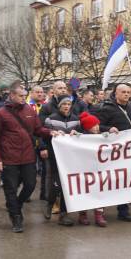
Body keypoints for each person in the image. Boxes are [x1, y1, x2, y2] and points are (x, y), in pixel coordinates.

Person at [0, 82, 59, 233]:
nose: (23, 98)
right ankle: (16, 217)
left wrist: (50, 132)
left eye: (24, 96)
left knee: (30, 185)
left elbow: (38, 129)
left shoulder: (29, 110)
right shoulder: (0, 113)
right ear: (12, 95)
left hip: (27, 156)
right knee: (10, 189)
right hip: (9, 158)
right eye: (20, 96)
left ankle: (16, 204)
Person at [96, 83, 131, 222]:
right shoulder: (106, 109)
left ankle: (123, 210)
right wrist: (108, 129)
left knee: (124, 180)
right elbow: (97, 127)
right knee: (107, 180)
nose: (126, 94)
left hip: (127, 152)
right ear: (116, 93)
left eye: (128, 92)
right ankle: (100, 211)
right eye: (123, 92)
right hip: (110, 152)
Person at [43, 95, 82, 226]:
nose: (66, 107)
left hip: (70, 157)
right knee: (56, 184)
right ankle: (50, 203)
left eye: (68, 104)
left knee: (67, 185)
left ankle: (64, 215)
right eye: (64, 104)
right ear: (59, 106)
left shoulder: (76, 120)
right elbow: (44, 135)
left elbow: (81, 135)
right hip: (55, 156)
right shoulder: (51, 119)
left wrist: (77, 134)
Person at [79, 112, 108, 227]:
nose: (96, 127)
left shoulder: (102, 136)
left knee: (100, 192)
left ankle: (99, 214)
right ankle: (83, 214)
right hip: (86, 170)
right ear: (86, 127)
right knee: (85, 192)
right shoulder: (81, 138)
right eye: (93, 125)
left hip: (100, 169)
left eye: (97, 125)